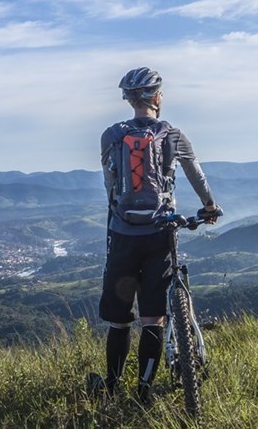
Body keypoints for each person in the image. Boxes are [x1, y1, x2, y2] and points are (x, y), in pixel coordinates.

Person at [96, 66, 221, 403]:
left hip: (122, 234)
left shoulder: (111, 136)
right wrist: (209, 206)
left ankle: (110, 386)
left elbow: (110, 185)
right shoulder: (173, 135)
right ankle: (144, 390)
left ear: (128, 98)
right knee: (153, 318)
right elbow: (197, 176)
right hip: (160, 234)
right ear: (156, 97)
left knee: (120, 321)